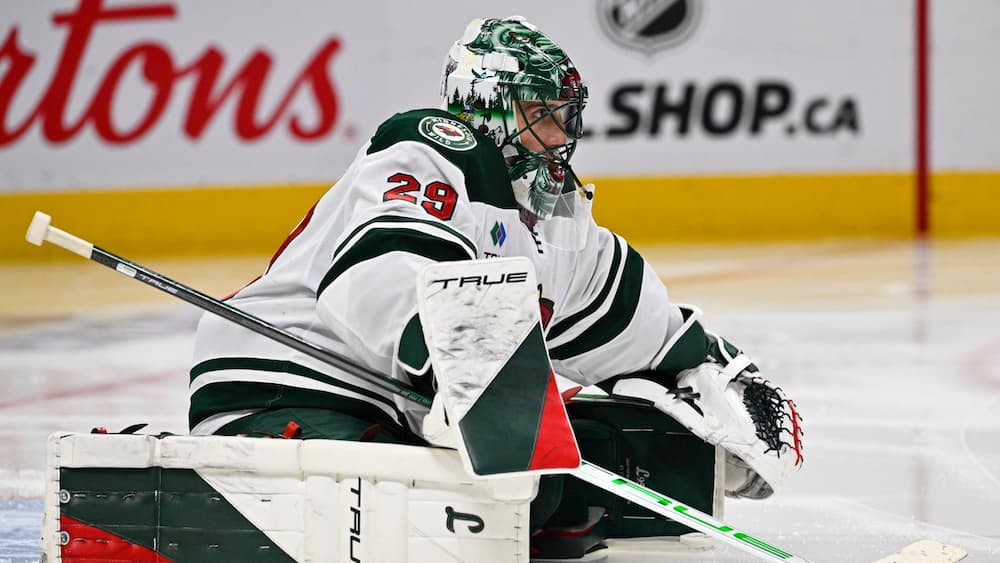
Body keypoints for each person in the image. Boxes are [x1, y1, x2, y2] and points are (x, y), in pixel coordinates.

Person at [188, 15, 803, 559]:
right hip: (285, 387)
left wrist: (705, 365)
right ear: (487, 106)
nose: (561, 136)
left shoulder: (555, 217)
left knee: (564, 482)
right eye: (541, 116)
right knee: (502, 495)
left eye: (565, 118)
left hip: (391, 405)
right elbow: (376, 276)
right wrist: (458, 368)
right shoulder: (430, 148)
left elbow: (620, 312)